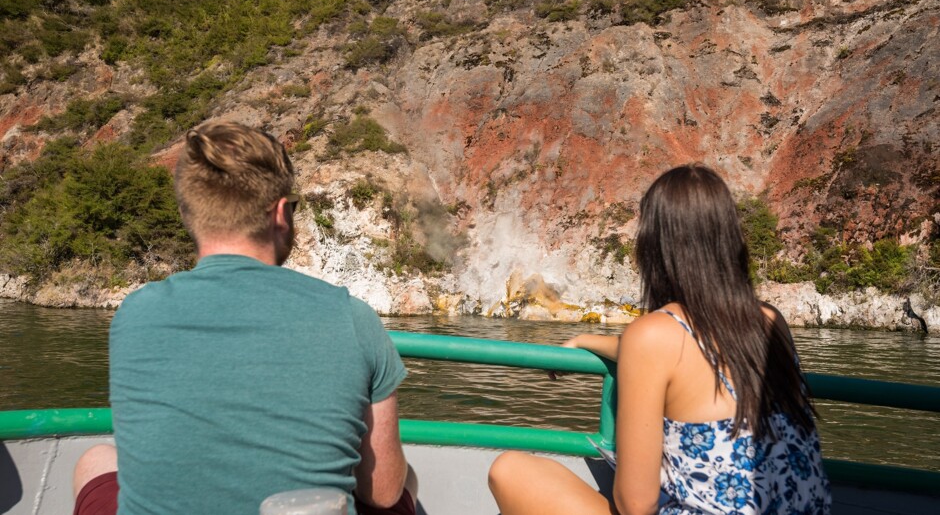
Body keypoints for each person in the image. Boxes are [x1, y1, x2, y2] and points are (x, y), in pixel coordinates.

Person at [72, 122, 417, 515]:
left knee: (96, 459)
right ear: (281, 213)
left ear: (189, 215)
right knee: (406, 480)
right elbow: (384, 491)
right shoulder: (353, 319)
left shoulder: (135, 313)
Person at [489, 165, 831, 514]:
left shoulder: (654, 335)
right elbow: (695, 358)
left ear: (656, 248)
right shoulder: (771, 321)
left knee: (511, 471)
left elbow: (636, 505)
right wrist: (584, 340)